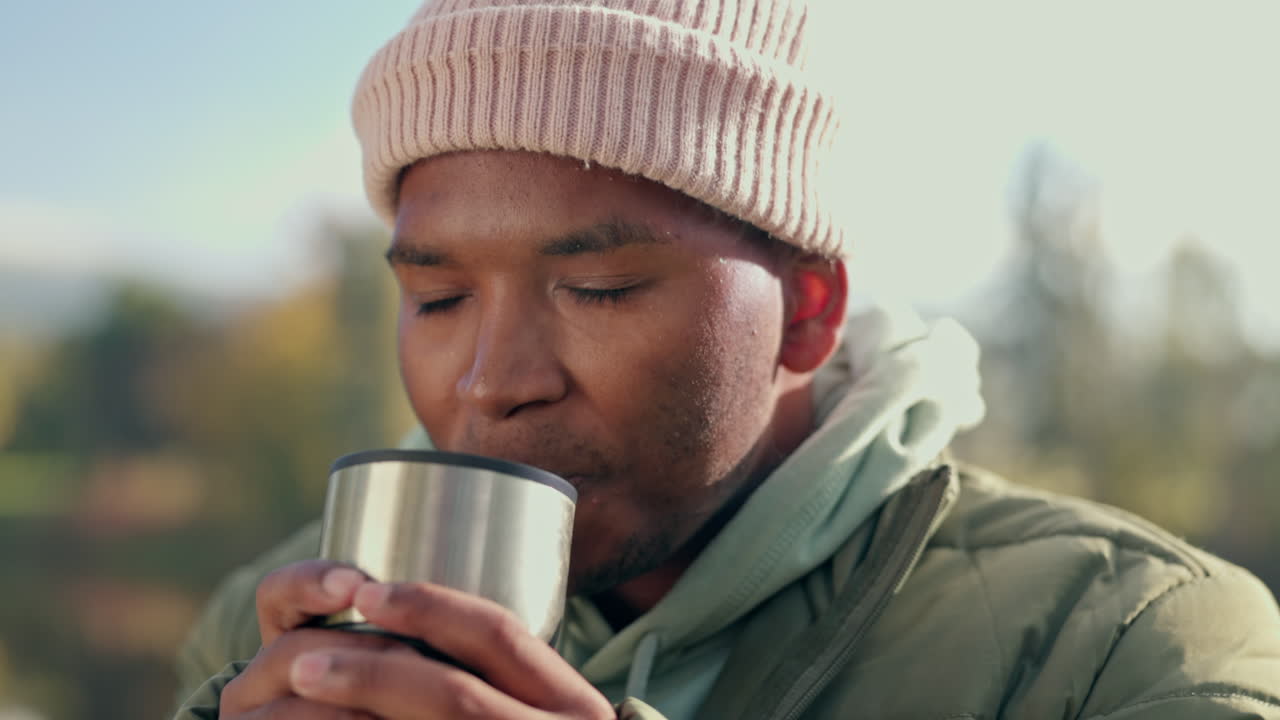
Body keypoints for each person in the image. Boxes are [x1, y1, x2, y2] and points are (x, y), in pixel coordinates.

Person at [172, 1, 1280, 718]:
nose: (491, 381)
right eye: (439, 296)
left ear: (805, 314)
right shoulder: (272, 635)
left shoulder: (1125, 650)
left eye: (598, 289)